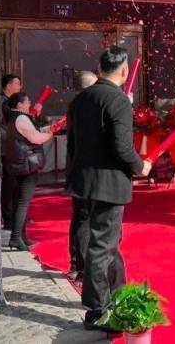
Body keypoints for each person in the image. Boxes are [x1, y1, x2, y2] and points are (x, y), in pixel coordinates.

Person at [66, 47, 153, 333]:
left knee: (107, 241)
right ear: (125, 71)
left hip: (84, 180)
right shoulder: (117, 100)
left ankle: (117, 294)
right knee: (102, 245)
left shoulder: (81, 99)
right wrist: (141, 166)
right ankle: (98, 310)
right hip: (108, 182)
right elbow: (122, 147)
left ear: (99, 68)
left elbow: (73, 143)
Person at [3, 92, 53, 251]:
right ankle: (16, 237)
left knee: (19, 201)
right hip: (26, 165)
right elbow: (35, 138)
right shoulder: (21, 118)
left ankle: (21, 236)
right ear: (19, 104)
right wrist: (49, 134)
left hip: (19, 164)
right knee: (22, 202)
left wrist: (44, 131)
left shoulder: (14, 118)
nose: (29, 103)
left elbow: (31, 133)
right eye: (27, 101)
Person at [66, 70, 99, 281]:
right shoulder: (86, 106)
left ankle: (76, 263)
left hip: (76, 168)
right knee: (84, 218)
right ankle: (82, 268)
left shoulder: (75, 105)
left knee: (79, 217)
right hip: (86, 170)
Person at [0, 74, 30, 230]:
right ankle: (9, 219)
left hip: (12, 148)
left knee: (15, 186)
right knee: (8, 186)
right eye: (17, 84)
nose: (20, 87)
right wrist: (13, 137)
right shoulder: (1, 102)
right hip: (6, 149)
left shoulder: (9, 103)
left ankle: (15, 218)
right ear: (8, 86)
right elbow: (2, 127)